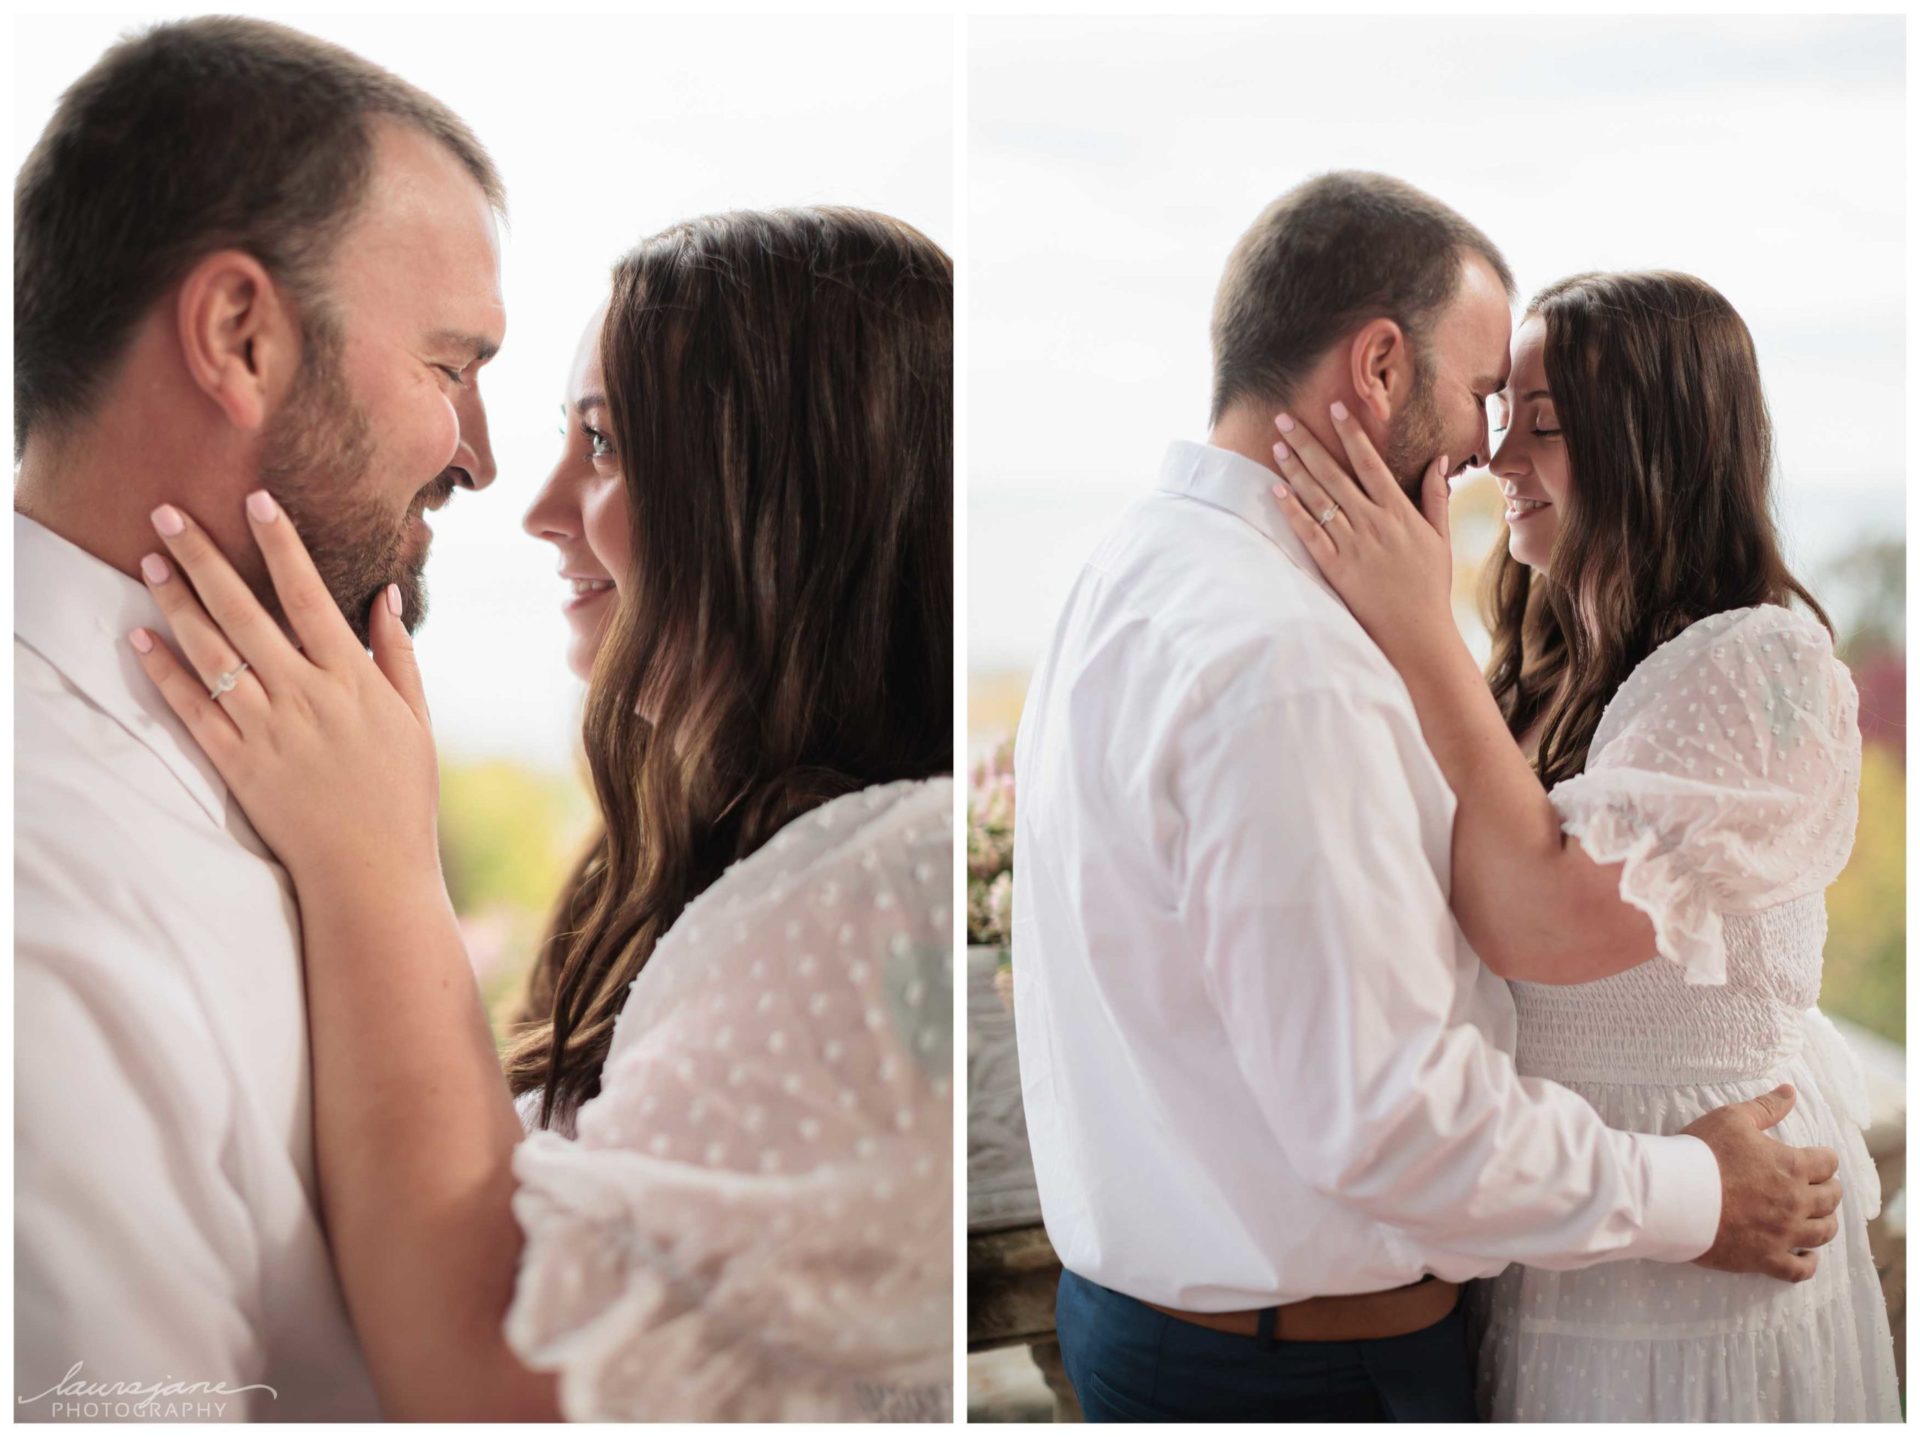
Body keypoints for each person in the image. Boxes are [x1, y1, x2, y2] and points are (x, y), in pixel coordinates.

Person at [1011, 172, 1843, 1423]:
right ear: (1383, 367)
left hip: (1202, 1321)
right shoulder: (1291, 663)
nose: (1484, 447)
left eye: (1532, 417)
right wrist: (1695, 1195)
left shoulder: (1136, 564)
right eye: (1484, 394)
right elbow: (1392, 1119)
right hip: (1309, 1362)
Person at [120, 206, 955, 1420]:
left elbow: (501, 1381)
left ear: (796, 485)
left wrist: (379, 866)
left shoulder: (891, 887)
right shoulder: (721, 871)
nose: (540, 502)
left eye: (607, 444)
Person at [1266, 268, 1899, 1421]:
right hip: (1582, 1211)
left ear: (1659, 446)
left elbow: (1537, 916)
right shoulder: (1558, 650)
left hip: (1711, 1246)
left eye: (1545, 428)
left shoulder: (1763, 667)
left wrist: (1417, 619)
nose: (1500, 463)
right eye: (1503, 417)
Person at [14, 17, 504, 1419]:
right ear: (239, 336)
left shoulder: (317, 754)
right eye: (450, 365)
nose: (479, 453)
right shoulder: (42, 892)